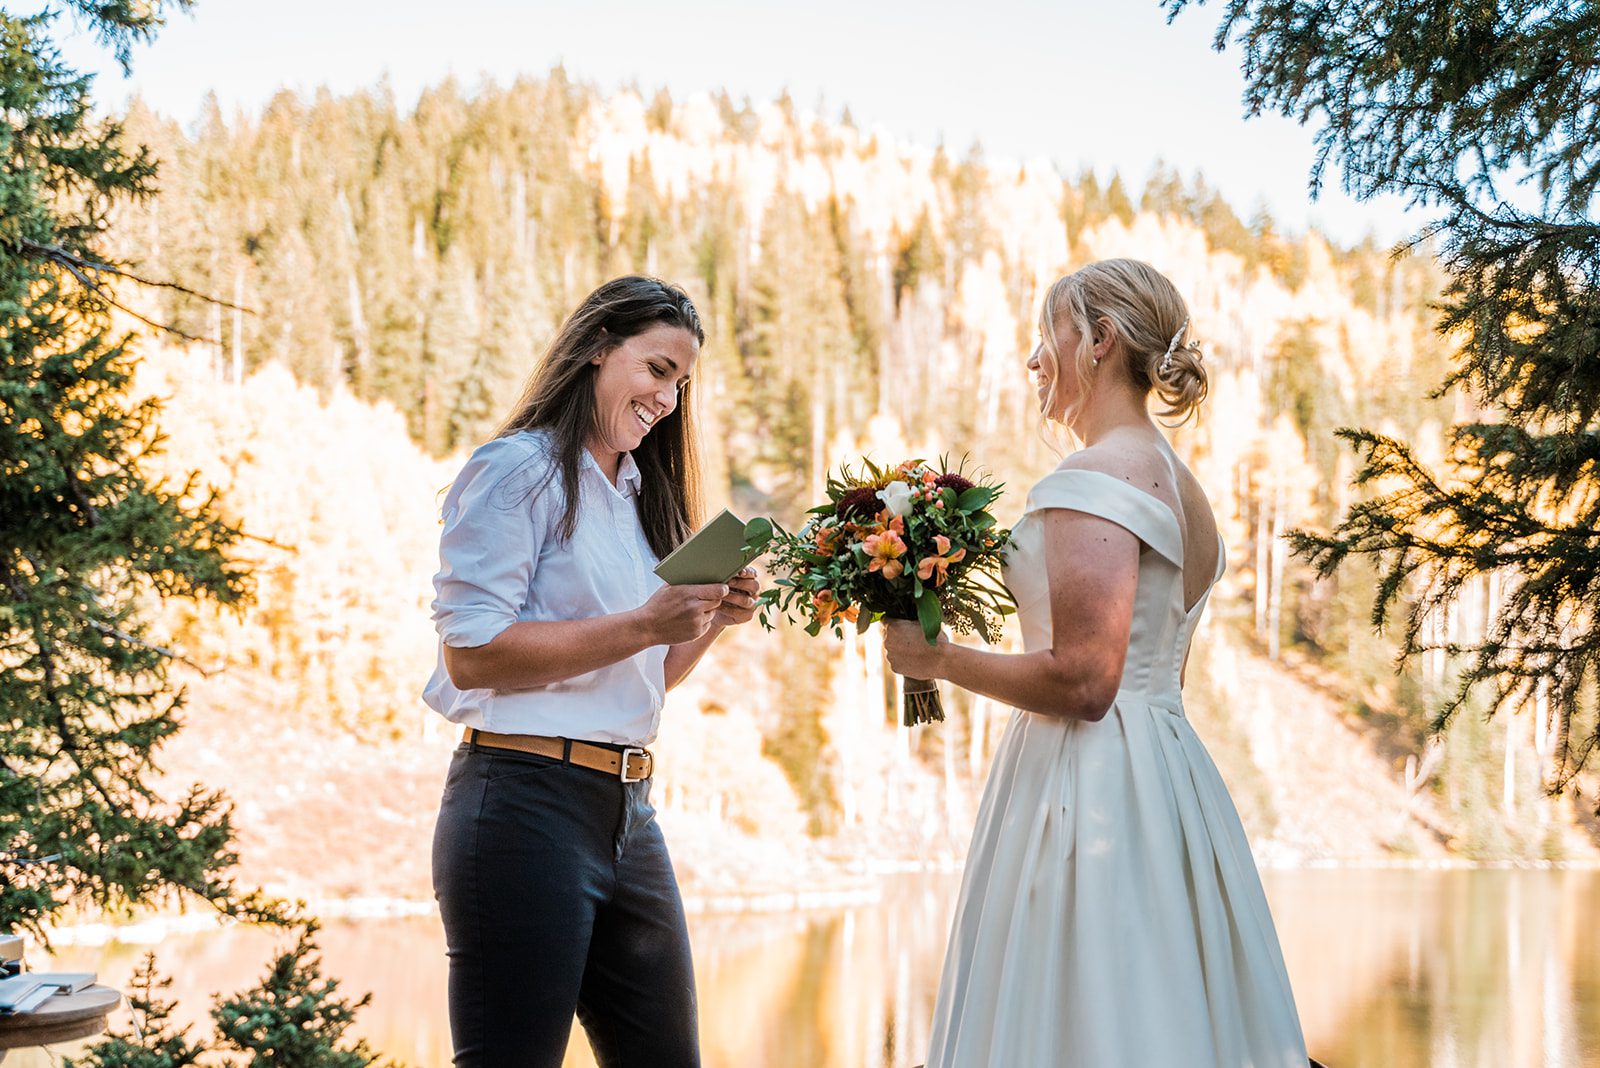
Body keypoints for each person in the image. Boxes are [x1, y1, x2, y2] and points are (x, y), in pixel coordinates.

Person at [885, 259, 1309, 1066]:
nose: (1036, 358)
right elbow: (1159, 678)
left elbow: (1084, 680)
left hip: (1087, 787)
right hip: (1169, 785)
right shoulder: (1188, 491)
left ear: (1101, 340)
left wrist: (933, 657)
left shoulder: (1095, 475)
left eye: (1051, 335)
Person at [424, 275, 759, 1068]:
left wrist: (708, 620)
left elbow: (648, 676)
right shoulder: (519, 470)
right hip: (521, 805)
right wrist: (645, 620)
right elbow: (471, 652)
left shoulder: (638, 494)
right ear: (597, 350)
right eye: (656, 369)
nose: (668, 399)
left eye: (680, 383)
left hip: (629, 814)